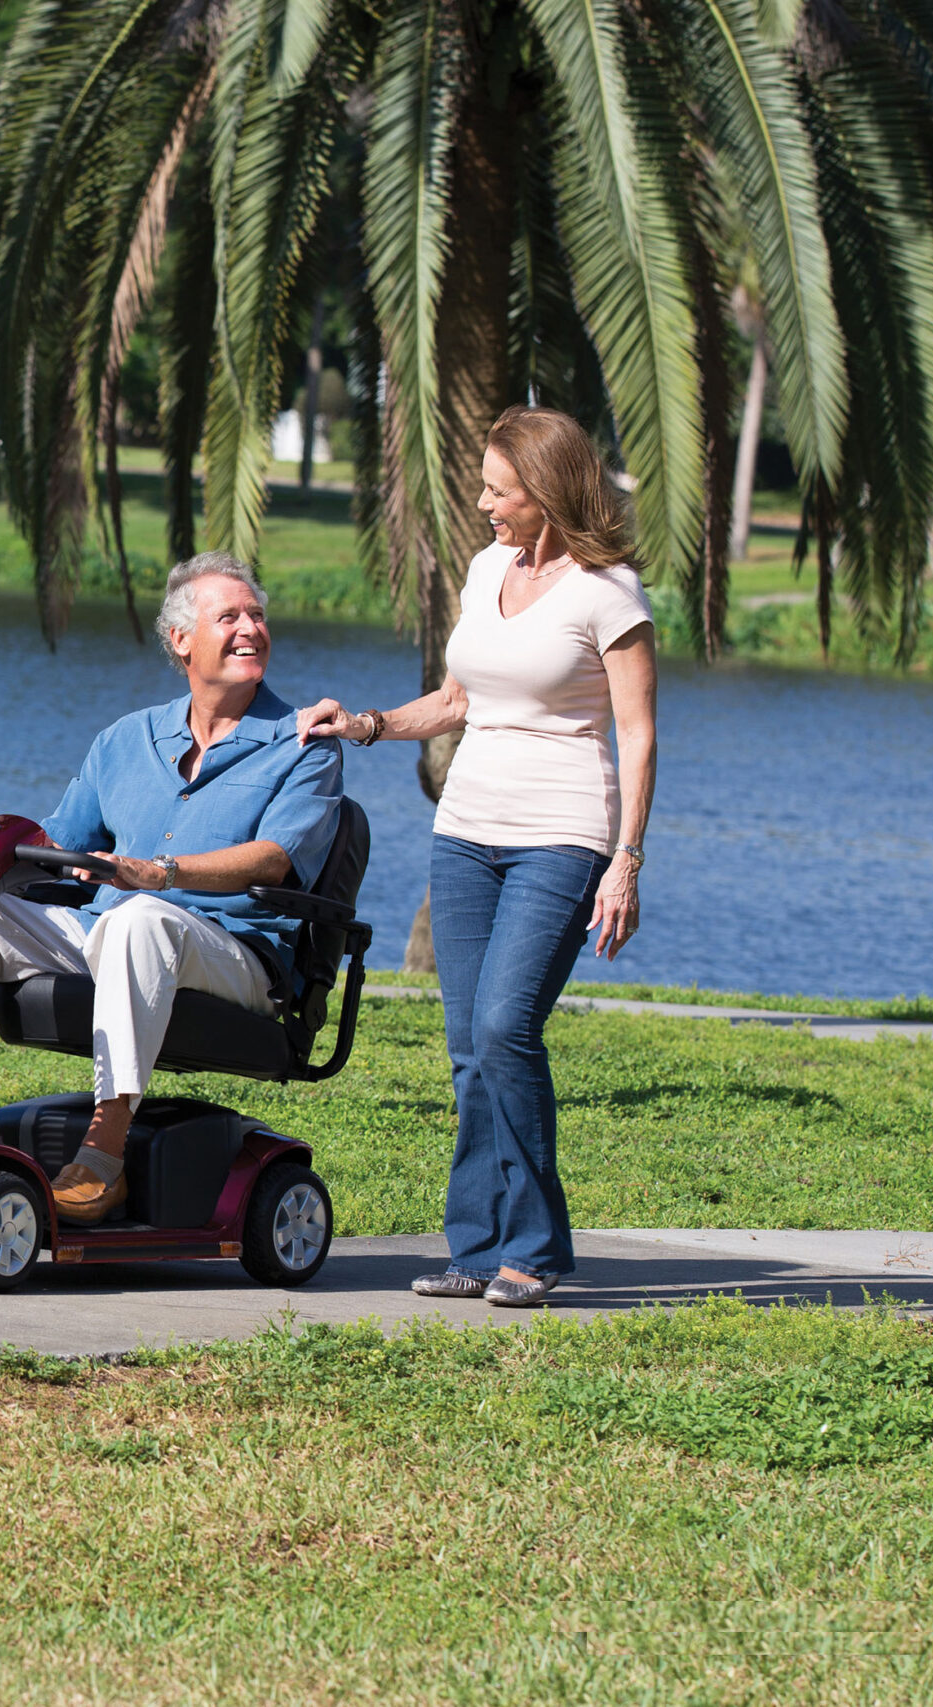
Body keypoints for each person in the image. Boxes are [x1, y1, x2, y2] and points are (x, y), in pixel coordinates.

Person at [299, 406, 657, 1306]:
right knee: (467, 1045)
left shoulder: (608, 592)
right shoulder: (488, 567)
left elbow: (640, 735)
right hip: (464, 832)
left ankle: (534, 1249)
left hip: (563, 836)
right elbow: (461, 697)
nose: (485, 505)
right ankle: (478, 1244)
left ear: (545, 489)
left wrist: (626, 862)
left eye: (499, 489)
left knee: (506, 1027)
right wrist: (371, 725)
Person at [0, 553, 344, 1224]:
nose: (251, 629)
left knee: (141, 917)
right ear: (181, 640)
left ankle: (103, 1156)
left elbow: (275, 860)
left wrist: (160, 873)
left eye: (257, 615)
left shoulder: (303, 742)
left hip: (236, 952)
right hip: (111, 930)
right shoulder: (126, 739)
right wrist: (18, 859)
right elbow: (57, 844)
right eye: (230, 617)